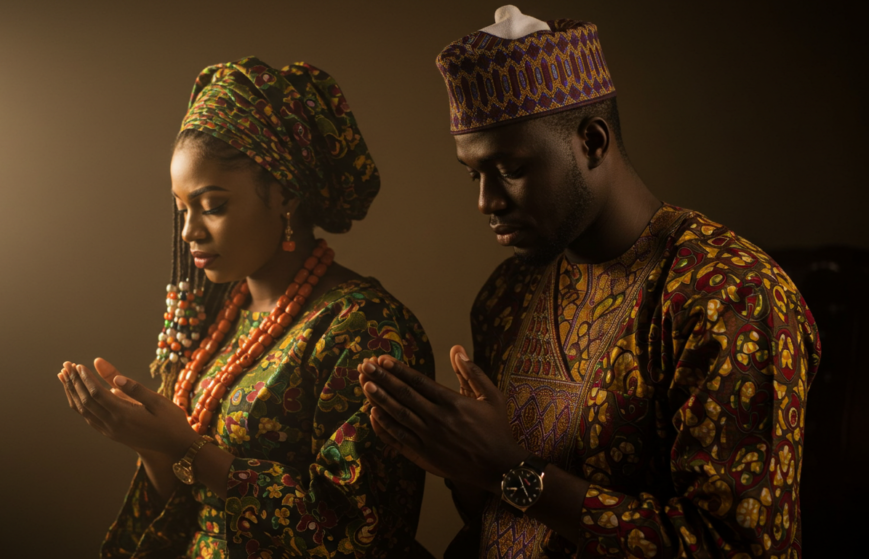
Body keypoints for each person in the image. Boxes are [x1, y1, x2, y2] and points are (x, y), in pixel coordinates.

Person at [358, 6, 819, 558]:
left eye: (511, 170)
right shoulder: (508, 293)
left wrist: (507, 470)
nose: (486, 202)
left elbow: (739, 549)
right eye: (474, 174)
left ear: (593, 142)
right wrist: (459, 461)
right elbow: (494, 520)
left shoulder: (729, 296)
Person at [57, 56, 435, 558]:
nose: (189, 231)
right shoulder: (219, 314)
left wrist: (185, 446)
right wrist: (150, 442)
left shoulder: (365, 328)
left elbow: (357, 533)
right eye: (181, 209)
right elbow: (188, 505)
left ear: (286, 196)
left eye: (212, 206)